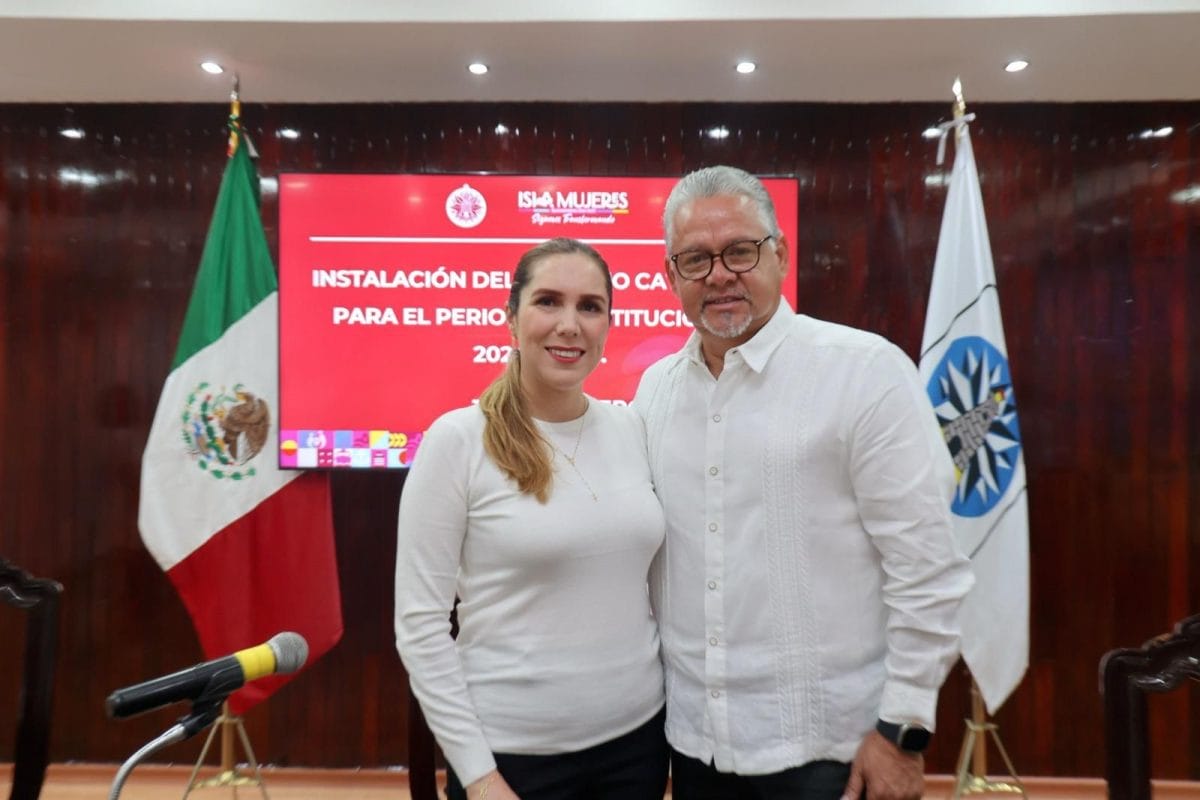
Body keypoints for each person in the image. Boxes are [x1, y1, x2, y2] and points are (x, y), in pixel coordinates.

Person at [632, 166, 974, 800]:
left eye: (740, 250)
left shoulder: (865, 373)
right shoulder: (654, 392)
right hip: (693, 746)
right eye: (695, 259)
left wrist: (901, 731)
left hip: (836, 752)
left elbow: (927, 568)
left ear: (780, 254)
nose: (720, 274)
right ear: (669, 275)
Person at [394, 238, 669, 800]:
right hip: (513, 762)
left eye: (589, 307)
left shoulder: (632, 428)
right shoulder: (457, 441)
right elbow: (421, 627)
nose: (569, 324)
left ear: (608, 326)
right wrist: (478, 775)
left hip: (639, 745)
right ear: (511, 319)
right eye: (548, 301)